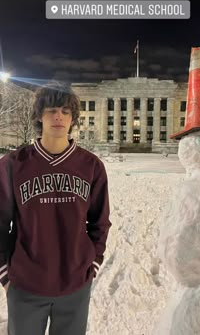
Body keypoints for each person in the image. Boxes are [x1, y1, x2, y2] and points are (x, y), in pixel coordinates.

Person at [0, 81, 112, 335]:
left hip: (75, 285)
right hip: (25, 285)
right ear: (39, 115)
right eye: (51, 110)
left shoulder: (91, 166)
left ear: (73, 118)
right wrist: (5, 274)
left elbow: (100, 222)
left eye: (65, 110)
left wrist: (92, 263)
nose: (58, 116)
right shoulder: (13, 164)